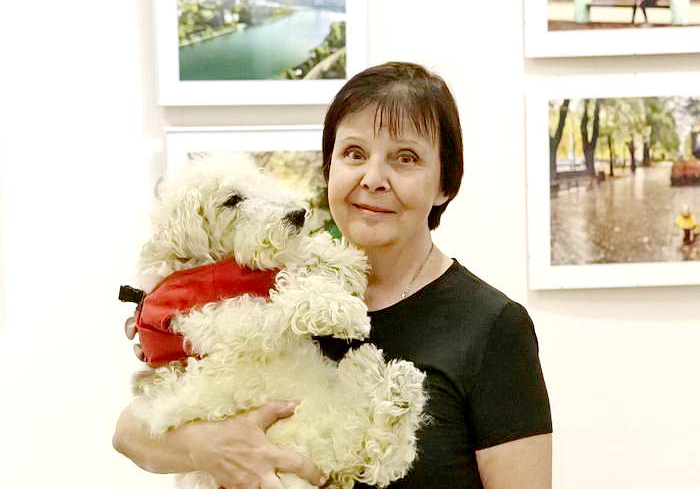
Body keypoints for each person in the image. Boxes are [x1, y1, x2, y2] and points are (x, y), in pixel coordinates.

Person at [113, 62, 553, 488]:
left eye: (405, 158)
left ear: (445, 184)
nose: (373, 178)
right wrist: (205, 446)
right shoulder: (268, 288)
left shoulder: (493, 327)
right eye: (354, 154)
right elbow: (128, 433)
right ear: (330, 168)